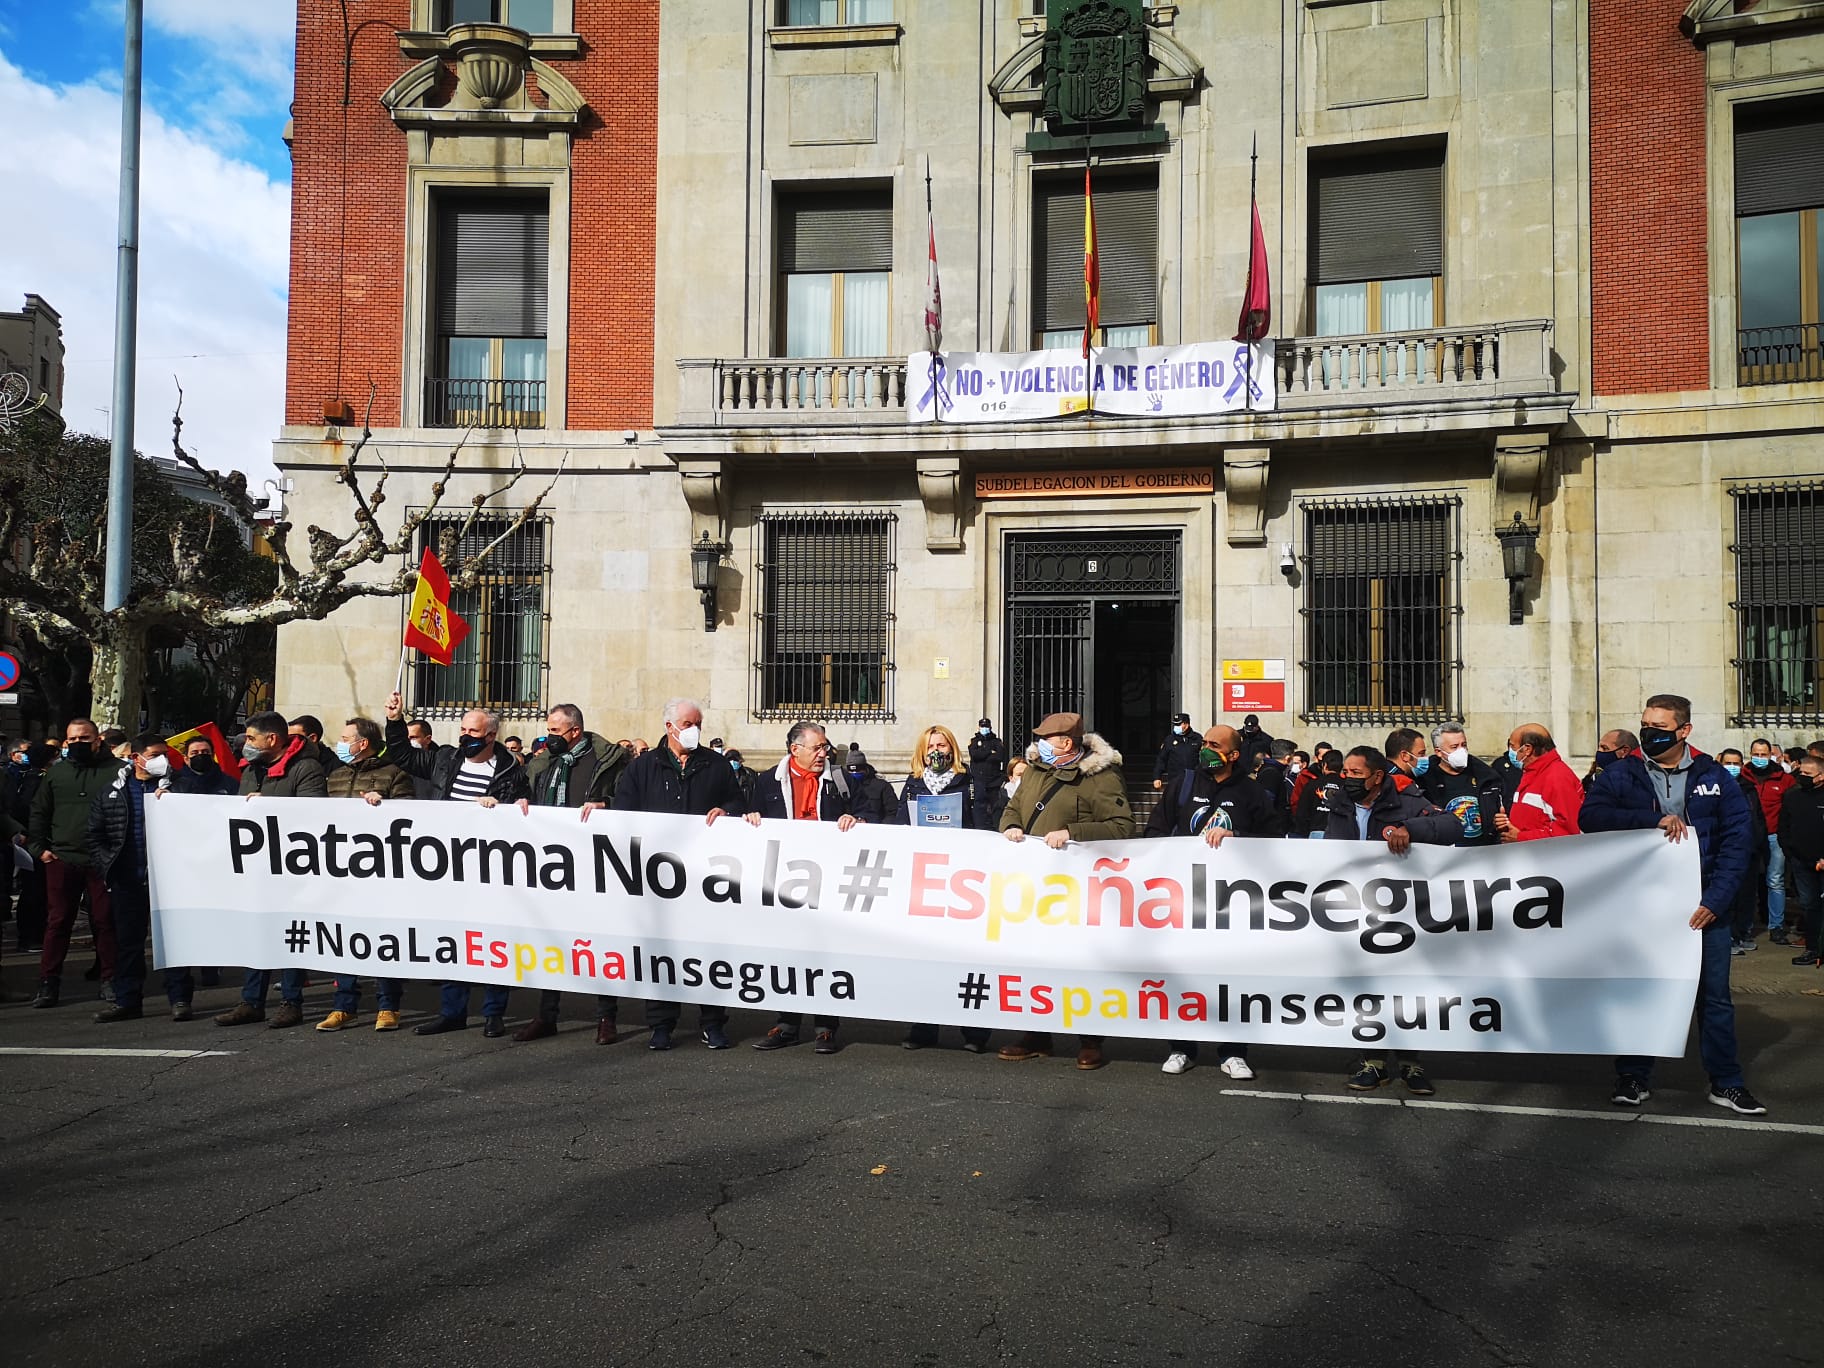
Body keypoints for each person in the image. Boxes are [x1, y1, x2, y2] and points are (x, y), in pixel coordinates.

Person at [1582, 692, 1765, 1116]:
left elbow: (1739, 843)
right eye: (1645, 724)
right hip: (1640, 909)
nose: (1649, 733)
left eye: (1660, 728)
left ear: (1684, 731)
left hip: (1704, 911)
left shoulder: (1716, 777)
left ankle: (1726, 1083)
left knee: (1713, 998)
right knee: (1639, 991)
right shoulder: (1620, 774)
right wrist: (1651, 821)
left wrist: (1716, 902)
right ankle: (1632, 1076)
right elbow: (1591, 818)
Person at [383, 694, 530, 1037]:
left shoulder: (509, 769)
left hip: (490, 867)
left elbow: (525, 810)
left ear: (491, 736)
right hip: (447, 865)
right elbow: (402, 755)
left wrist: (504, 805)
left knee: (494, 941)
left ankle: (494, 1012)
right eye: (463, 729)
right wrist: (394, 720)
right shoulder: (445, 759)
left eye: (473, 731)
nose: (465, 736)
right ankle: (453, 1011)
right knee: (453, 939)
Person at [1146, 724, 1284, 1078]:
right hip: (1184, 900)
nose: (1204, 748)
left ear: (1233, 755)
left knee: (1232, 977)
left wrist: (1237, 837)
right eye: (1203, 742)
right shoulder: (1183, 784)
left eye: (1213, 744)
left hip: (1233, 905)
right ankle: (1181, 1048)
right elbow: (1155, 832)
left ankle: (1233, 1052)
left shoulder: (1251, 791)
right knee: (1183, 974)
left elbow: (1274, 839)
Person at [998, 711, 1134, 1070]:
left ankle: (1090, 1039)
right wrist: (1011, 826)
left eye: (1047, 738)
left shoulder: (1100, 776)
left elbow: (1121, 827)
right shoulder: (1036, 770)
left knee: (1081, 963)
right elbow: (1012, 808)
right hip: (1034, 886)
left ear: (1066, 743)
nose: (1039, 743)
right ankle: (1036, 1033)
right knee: (1035, 959)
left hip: (1079, 888)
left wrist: (1072, 832)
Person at [608, 698, 746, 1050]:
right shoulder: (644, 768)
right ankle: (661, 1024)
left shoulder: (715, 765)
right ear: (669, 727)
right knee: (662, 952)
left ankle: (713, 1022)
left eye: (698, 723)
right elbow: (624, 812)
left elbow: (739, 803)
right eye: (688, 724)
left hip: (704, 877)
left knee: (708, 951)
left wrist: (726, 811)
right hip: (658, 878)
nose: (695, 730)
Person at [1327, 746, 1460, 1095]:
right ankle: (1372, 1062)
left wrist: (1409, 828)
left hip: (1400, 915)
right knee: (1366, 988)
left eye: (1356, 773)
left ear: (1377, 776)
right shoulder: (1339, 803)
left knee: (1404, 990)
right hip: (1354, 912)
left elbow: (1451, 825)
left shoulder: (1407, 800)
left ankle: (1410, 1063)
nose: (1348, 779)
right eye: (1346, 772)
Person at [514, 705, 631, 1044]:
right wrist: (522, 799)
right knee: (549, 939)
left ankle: (606, 1017)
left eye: (555, 731)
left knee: (598, 941)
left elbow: (628, 799)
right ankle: (546, 1014)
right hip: (549, 863)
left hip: (592, 862)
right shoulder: (545, 761)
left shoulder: (609, 760)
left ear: (575, 731)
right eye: (548, 730)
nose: (549, 736)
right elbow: (525, 787)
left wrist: (606, 804)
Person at [749, 721, 866, 1054]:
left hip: (828, 882)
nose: (823, 753)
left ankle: (827, 1026)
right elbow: (748, 816)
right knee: (788, 953)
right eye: (817, 748)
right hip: (785, 881)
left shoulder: (840, 781)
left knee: (826, 952)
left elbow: (868, 812)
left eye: (825, 747)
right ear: (794, 749)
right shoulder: (767, 781)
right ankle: (787, 1023)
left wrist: (855, 820)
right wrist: (750, 819)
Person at [212, 711, 330, 1027]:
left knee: (290, 935)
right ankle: (252, 1001)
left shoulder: (306, 768)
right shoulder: (251, 769)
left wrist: (267, 804)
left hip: (292, 869)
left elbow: (312, 814)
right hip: (258, 865)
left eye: (251, 738)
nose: (245, 744)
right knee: (257, 933)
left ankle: (292, 1002)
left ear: (272, 739)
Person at [312, 717, 418, 1032]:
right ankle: (344, 1006)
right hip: (342, 871)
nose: (340, 744)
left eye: (346, 738)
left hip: (381, 872)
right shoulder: (335, 776)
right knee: (345, 939)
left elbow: (412, 815)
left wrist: (383, 806)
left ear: (363, 743)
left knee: (385, 939)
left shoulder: (393, 774)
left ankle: (388, 1006)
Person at [894, 724, 992, 1053]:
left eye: (943, 744)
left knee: (966, 955)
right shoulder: (913, 784)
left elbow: (983, 827)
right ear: (922, 750)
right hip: (924, 880)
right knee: (925, 956)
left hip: (962, 881)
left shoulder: (971, 783)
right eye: (932, 745)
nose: (938, 750)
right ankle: (924, 1025)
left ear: (953, 749)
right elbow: (899, 826)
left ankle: (974, 1029)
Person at [89, 734, 194, 1022]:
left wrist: (178, 803)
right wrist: (105, 866)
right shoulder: (113, 790)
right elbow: (95, 833)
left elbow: (199, 826)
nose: (162, 759)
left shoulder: (181, 786)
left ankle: (180, 998)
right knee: (128, 943)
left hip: (170, 882)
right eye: (155, 754)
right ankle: (128, 1000)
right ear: (136, 758)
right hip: (128, 878)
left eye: (165, 754)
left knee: (174, 942)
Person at [27, 718, 126, 1009]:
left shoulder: (119, 771)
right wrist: (39, 849)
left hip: (104, 860)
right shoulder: (56, 774)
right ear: (66, 742)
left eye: (85, 738)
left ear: (98, 740)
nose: (78, 743)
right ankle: (49, 982)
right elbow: (39, 812)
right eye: (73, 739)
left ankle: (109, 979)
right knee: (58, 921)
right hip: (62, 858)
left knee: (105, 920)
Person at [1414, 722, 1504, 847]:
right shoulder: (1425, 780)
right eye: (1454, 747)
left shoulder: (1486, 775)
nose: (1461, 751)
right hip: (1445, 853)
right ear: (1438, 752)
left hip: (1483, 851)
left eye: (1464, 745)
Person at [1716, 747, 1769, 955]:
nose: (1732, 767)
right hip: (1725, 849)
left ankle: (1744, 933)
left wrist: (1760, 843)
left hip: (1749, 849)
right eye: (1728, 763)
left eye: (1736, 763)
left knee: (1747, 895)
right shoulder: (1714, 787)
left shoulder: (1748, 788)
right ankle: (1729, 937)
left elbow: (1758, 818)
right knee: (1728, 895)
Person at [1493, 724, 1583, 842]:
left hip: (1545, 857)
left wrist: (1520, 837)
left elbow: (1569, 832)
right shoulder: (1532, 773)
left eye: (1512, 746)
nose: (1510, 751)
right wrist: (1507, 824)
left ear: (1527, 749)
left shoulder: (1557, 777)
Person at [1744, 737, 1795, 946]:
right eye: (1755, 754)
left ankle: (1776, 926)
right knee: (1746, 883)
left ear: (1771, 755)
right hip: (1748, 835)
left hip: (1774, 835)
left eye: (1763, 755)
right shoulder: (1743, 777)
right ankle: (1745, 928)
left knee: (1775, 881)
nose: (1759, 758)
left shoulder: (1784, 780)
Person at [1778, 753, 1824, 969]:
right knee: (1809, 906)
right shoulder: (1792, 796)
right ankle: (1813, 949)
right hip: (1801, 862)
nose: (1802, 777)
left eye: (1808, 774)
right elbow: (1784, 827)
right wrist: (1791, 853)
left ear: (1821, 776)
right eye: (1801, 773)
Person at [6, 740, 53, 952]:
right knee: (35, 890)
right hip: (36, 843)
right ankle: (30, 937)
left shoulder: (29, 778)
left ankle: (34, 935)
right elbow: (26, 810)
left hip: (33, 840)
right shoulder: (37, 781)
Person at [1291, 748, 1343, 838]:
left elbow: (1302, 811)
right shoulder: (1345, 786)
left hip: (1316, 831)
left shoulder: (1312, 784)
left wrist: (1302, 831)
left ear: (1325, 765)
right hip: (1340, 833)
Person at [968, 718, 1007, 828]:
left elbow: (999, 756)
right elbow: (974, 755)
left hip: (994, 780)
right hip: (979, 780)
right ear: (979, 727)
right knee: (979, 806)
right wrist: (989, 752)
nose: (984, 728)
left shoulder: (996, 741)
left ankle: (996, 827)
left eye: (986, 726)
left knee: (995, 806)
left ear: (990, 727)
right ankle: (979, 827)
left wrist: (983, 755)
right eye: (982, 726)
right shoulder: (974, 741)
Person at [840, 749, 896, 824]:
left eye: (858, 770)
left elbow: (892, 812)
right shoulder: (842, 786)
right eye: (851, 771)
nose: (855, 773)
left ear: (865, 768)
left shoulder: (881, 786)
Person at [1152, 712, 1199, 792]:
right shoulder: (1169, 740)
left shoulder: (1197, 739)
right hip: (1175, 779)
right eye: (1175, 725)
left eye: (1179, 725)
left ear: (1186, 725)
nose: (1176, 727)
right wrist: (1157, 777)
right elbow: (1161, 759)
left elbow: (1204, 758)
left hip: (1193, 780)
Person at [1383, 727, 1429, 791]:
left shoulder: (1410, 776)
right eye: (1421, 753)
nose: (1425, 757)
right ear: (1404, 755)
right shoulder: (1391, 782)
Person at [988, 756, 1027, 830]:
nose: (1023, 778)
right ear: (1011, 778)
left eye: (1026, 774)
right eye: (1019, 775)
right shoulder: (1001, 801)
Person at [405, 717, 437, 798]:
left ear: (428, 739)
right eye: (406, 738)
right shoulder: (399, 761)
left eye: (413, 737)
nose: (408, 741)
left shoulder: (439, 763)